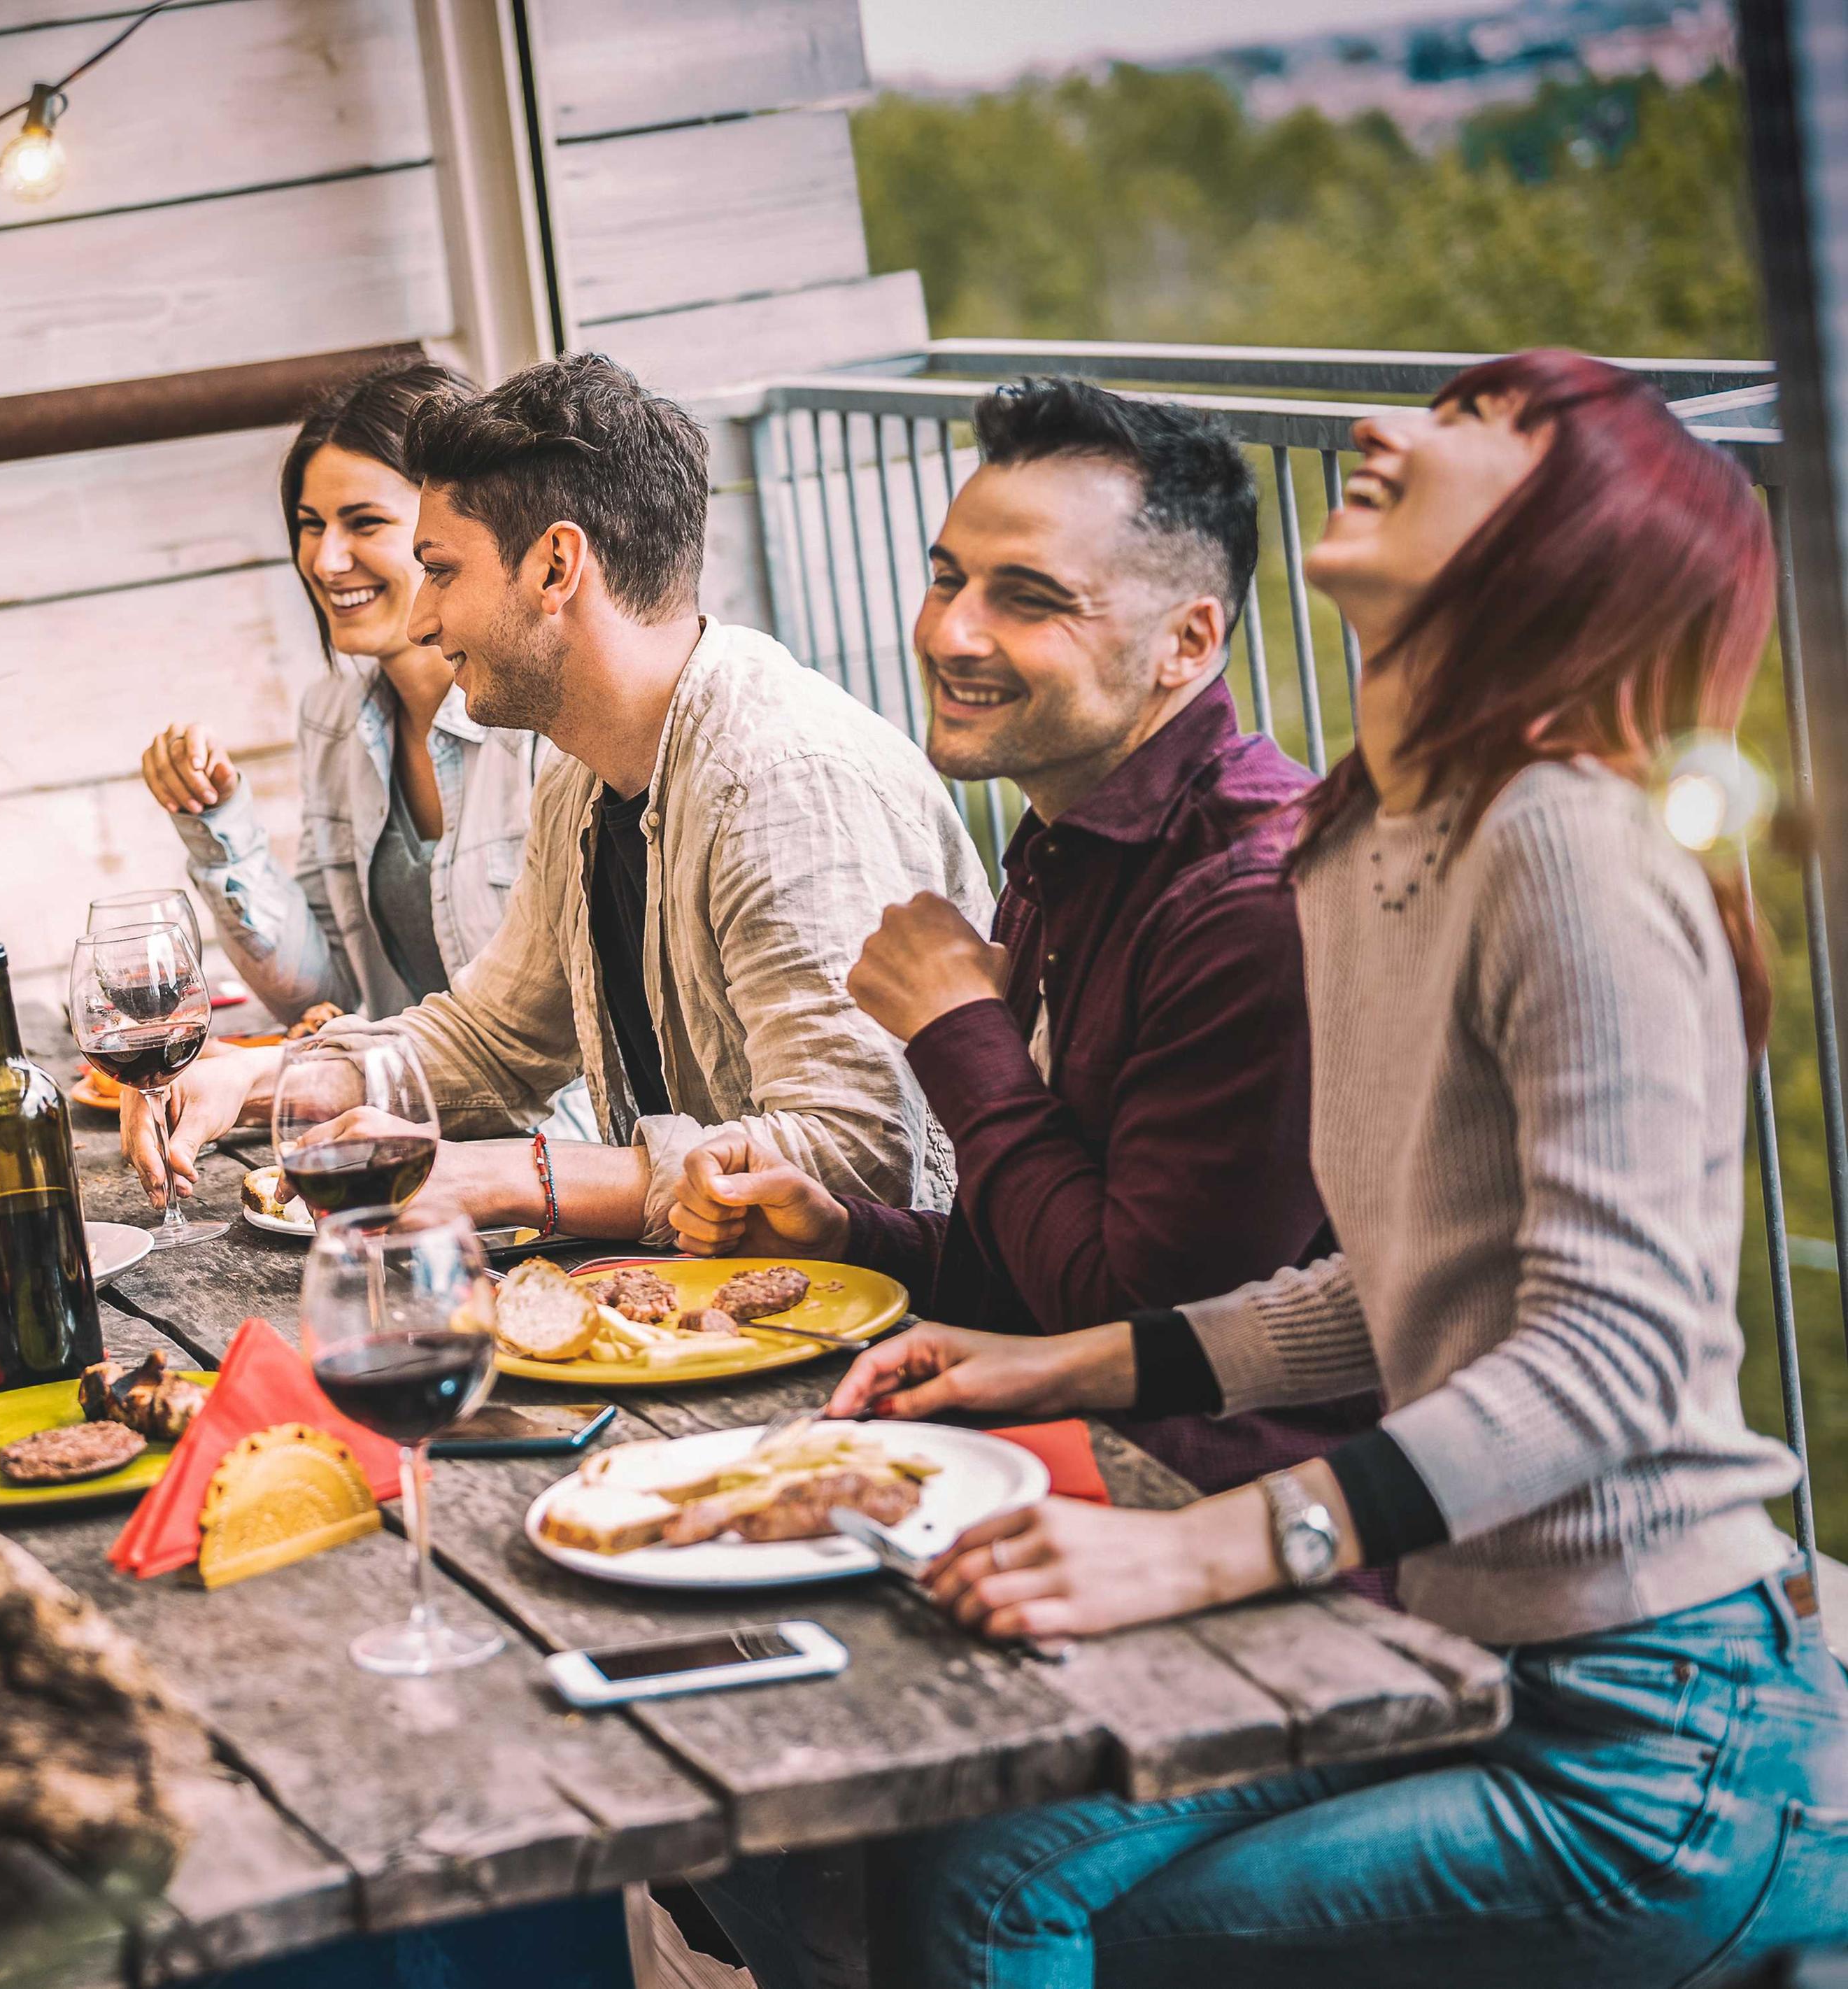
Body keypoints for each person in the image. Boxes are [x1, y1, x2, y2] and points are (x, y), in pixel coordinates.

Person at [733, 353, 1845, 1986]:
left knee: (982, 1904)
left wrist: (1192, 1549)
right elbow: (1399, 1286)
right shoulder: (1370, 837)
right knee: (950, 1854)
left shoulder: (1567, 839)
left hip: (1646, 1728)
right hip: (1473, 1650)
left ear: (1567, 547)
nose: (1385, 427)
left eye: (1473, 430)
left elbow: (1609, 1358)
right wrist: (1085, 1358)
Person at [664, 378, 1372, 1499]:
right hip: (1081, 1459)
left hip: (1237, 1522)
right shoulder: (1070, 840)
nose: (950, 631)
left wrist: (960, 1032)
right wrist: (847, 1236)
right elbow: (1041, 1268)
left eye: (1030, 598)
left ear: (1188, 641)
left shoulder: (1252, 901)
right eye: (947, 576)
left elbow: (1127, 1330)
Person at [126, 354, 990, 1238]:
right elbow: (493, 1040)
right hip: (712, 1298)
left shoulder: (783, 783)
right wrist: (257, 1080)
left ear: (553, 568)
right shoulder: (581, 776)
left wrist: (505, 1179)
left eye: (443, 571)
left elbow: (858, 1158)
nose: (422, 620)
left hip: (895, 1328)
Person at [139, 359, 548, 1021]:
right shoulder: (331, 715)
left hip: (557, 1125)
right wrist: (218, 821)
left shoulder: (544, 724)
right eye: (310, 525)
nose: (326, 561)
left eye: (364, 523)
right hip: (406, 1111)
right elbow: (322, 992)